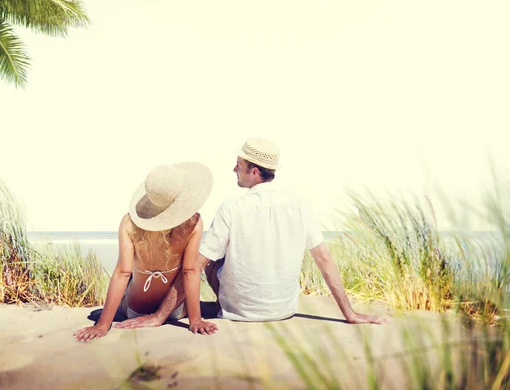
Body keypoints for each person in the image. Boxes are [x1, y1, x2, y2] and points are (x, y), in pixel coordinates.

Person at [117, 137, 389, 334]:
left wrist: (157, 316)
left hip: (240, 314)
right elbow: (325, 260)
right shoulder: (299, 204)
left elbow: (194, 269)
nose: (234, 170)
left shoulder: (232, 208)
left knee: (209, 259)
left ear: (254, 171)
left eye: (239, 165)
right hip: (284, 310)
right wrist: (350, 314)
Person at [74, 162, 217, 342]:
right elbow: (190, 271)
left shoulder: (129, 223)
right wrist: (195, 320)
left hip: (134, 310)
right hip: (176, 312)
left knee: (130, 282)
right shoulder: (193, 222)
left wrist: (102, 325)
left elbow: (122, 273)